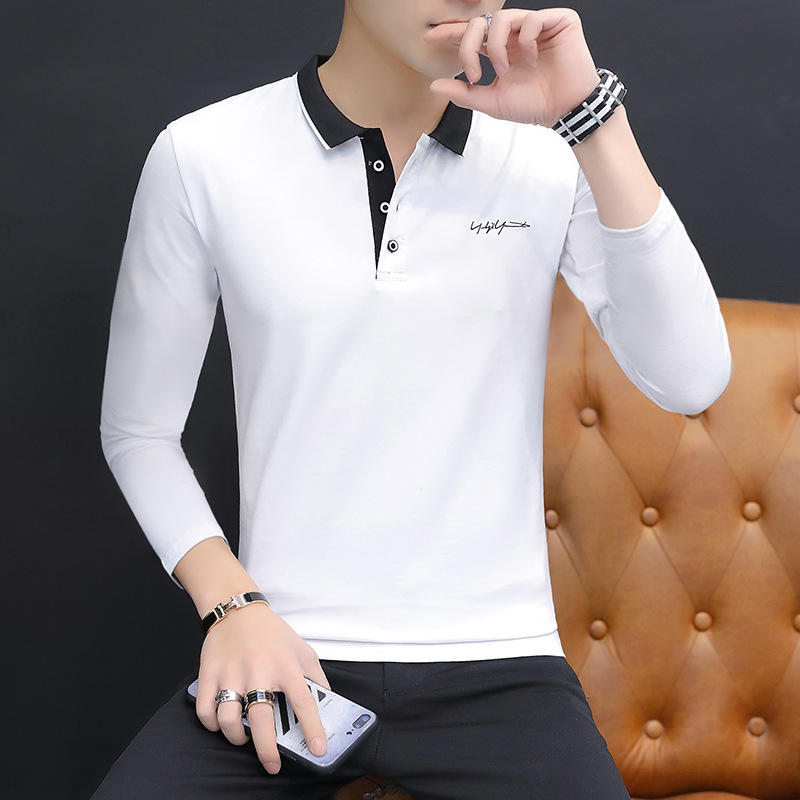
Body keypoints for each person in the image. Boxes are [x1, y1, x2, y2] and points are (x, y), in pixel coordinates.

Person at [94, 2, 731, 798]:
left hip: (504, 669)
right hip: (286, 657)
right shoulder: (204, 153)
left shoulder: (547, 156)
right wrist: (232, 607)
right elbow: (139, 432)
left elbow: (692, 377)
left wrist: (590, 119)